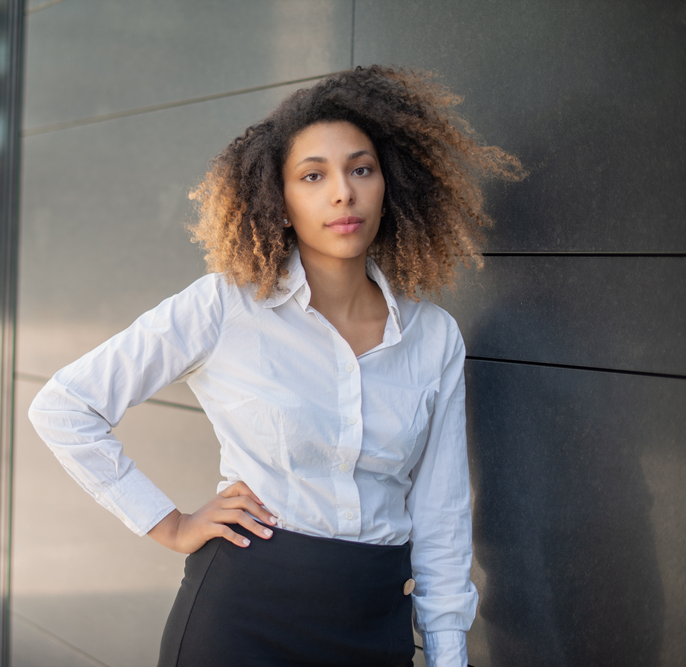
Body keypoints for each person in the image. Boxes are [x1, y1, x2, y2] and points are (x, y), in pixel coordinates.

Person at [29, 65, 524, 667]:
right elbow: (64, 406)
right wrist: (171, 524)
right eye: (313, 176)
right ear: (279, 200)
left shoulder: (432, 337)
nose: (343, 192)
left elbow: (440, 516)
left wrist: (449, 654)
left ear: (387, 186)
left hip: (376, 626)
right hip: (242, 620)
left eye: (360, 169)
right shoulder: (225, 306)